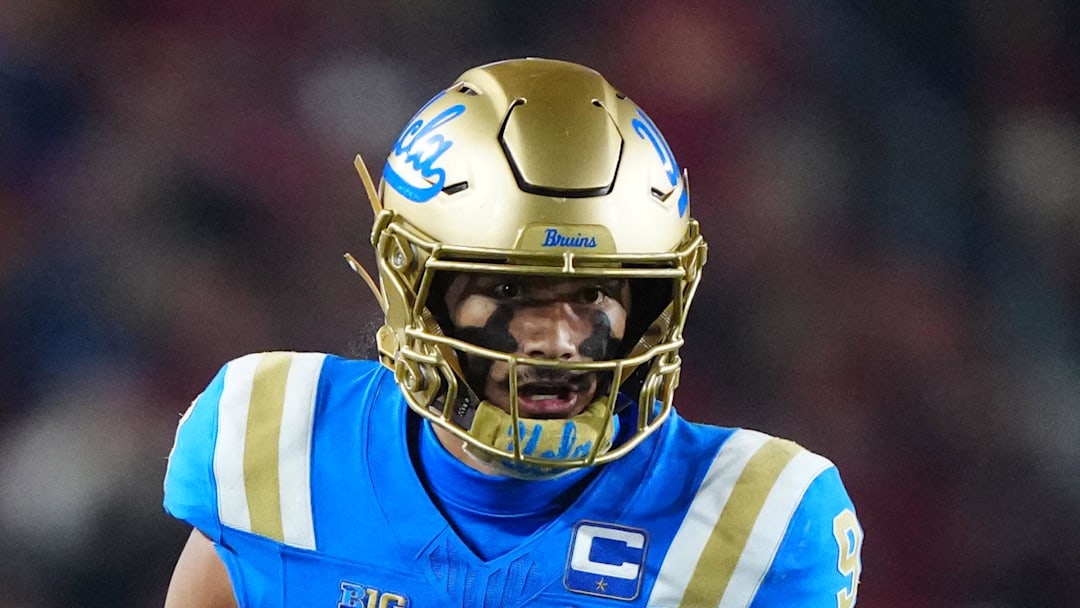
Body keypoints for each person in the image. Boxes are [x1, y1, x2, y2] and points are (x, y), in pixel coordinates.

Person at [163, 57, 863, 607]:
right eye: (507, 291)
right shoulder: (277, 439)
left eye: (592, 293)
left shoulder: (761, 523)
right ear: (416, 291)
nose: (555, 339)